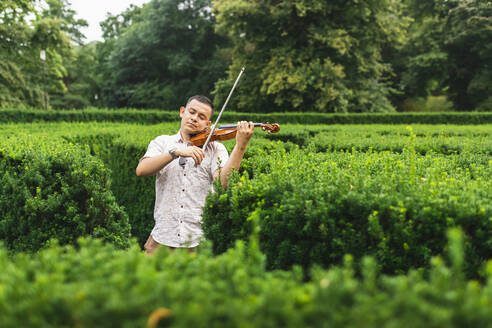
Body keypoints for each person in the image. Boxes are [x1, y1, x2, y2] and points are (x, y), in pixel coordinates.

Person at [136, 95, 254, 254]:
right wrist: (175, 152)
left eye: (201, 117)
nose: (194, 118)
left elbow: (223, 184)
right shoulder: (162, 142)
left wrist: (241, 145)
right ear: (182, 112)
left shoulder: (215, 149)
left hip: (197, 243)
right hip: (160, 240)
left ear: (208, 124)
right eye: (191, 112)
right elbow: (141, 170)